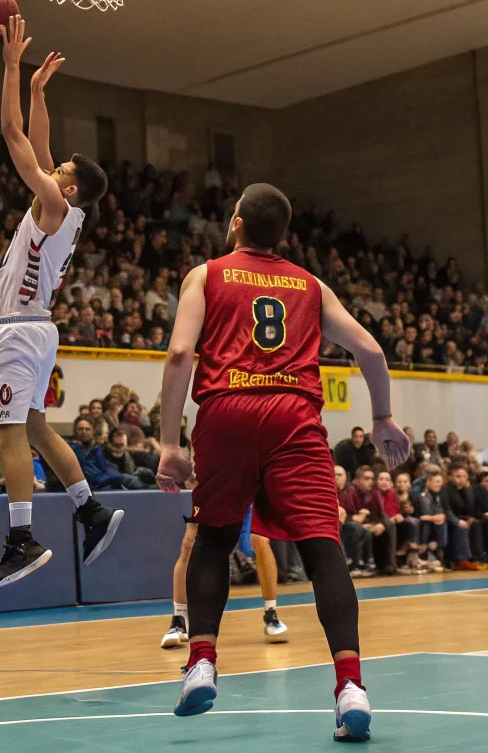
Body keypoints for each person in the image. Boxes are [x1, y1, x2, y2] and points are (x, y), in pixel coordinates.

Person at [155, 183, 410, 740]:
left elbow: (178, 354)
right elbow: (369, 350)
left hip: (226, 409)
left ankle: (201, 660)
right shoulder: (310, 285)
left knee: (215, 539)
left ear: (237, 223)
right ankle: (350, 687)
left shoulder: (206, 273)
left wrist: (170, 444)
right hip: (295, 414)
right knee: (323, 549)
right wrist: (384, 417)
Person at [0, 23, 121, 586]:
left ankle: (21, 539)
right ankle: (90, 509)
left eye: (59, 173)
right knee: (34, 425)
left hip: (17, 331)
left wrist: (9, 68)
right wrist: (38, 94)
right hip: (36, 329)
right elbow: (40, 144)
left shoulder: (55, 203)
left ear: (70, 189)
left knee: (7, 434)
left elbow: (12, 134)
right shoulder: (67, 208)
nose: (50, 170)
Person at [160, 514, 288, 649]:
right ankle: (179, 622)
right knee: (189, 544)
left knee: (259, 540)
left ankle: (271, 614)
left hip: (247, 495)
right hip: (212, 497)